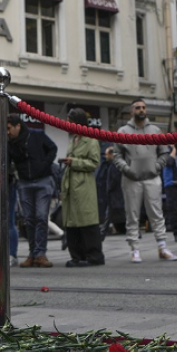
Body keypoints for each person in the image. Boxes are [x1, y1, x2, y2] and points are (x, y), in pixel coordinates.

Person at [113, 98, 177, 263]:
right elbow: (117, 156)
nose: (141, 110)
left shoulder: (155, 130)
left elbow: (164, 153)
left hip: (152, 178)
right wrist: (127, 170)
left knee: (156, 214)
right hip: (131, 179)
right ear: (131, 111)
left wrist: (156, 167)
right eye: (137, 108)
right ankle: (134, 249)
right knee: (132, 215)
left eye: (143, 107)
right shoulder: (123, 131)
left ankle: (162, 247)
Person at [7, 113, 58, 268]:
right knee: (29, 219)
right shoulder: (10, 143)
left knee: (41, 217)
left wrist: (44, 164)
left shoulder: (37, 135)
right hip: (24, 182)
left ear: (18, 126)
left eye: (9, 128)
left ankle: (40, 253)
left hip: (43, 180)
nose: (7, 132)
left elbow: (52, 148)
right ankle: (32, 254)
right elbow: (7, 162)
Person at [60, 108, 105, 267]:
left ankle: (94, 255)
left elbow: (94, 163)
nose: (68, 124)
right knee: (71, 222)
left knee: (87, 220)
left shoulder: (91, 140)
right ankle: (76, 256)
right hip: (71, 185)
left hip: (84, 185)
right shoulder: (73, 140)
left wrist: (74, 162)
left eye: (70, 122)